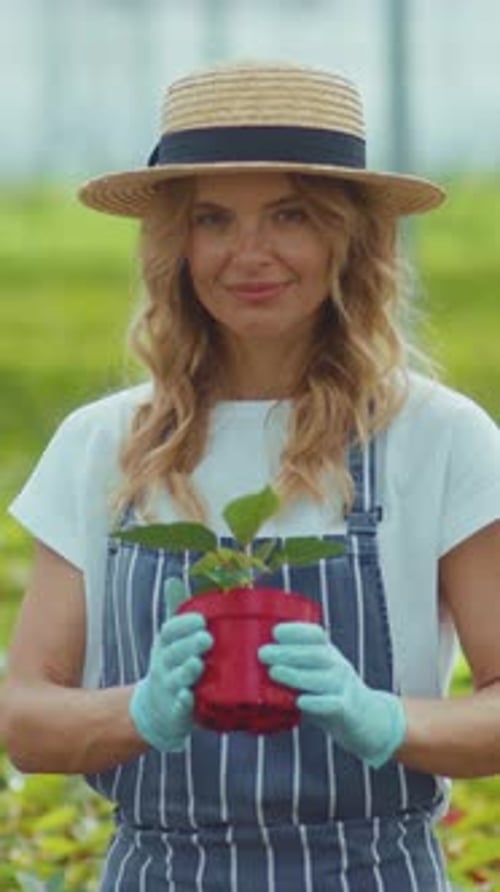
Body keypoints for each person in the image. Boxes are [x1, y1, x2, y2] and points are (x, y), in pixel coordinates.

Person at [1, 61, 499, 892]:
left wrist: (384, 722)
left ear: (350, 238)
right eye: (213, 219)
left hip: (372, 874)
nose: (249, 254)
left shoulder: (438, 438)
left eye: (290, 215)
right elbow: (25, 720)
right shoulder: (102, 446)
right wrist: (136, 711)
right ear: (176, 242)